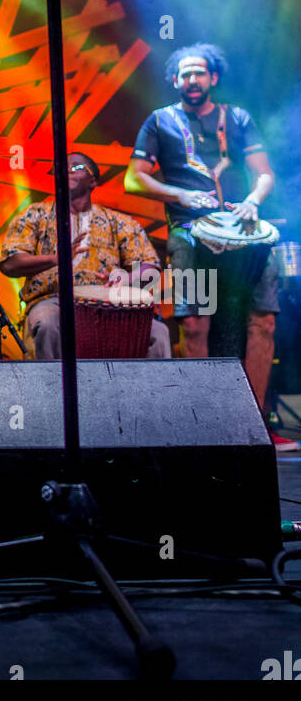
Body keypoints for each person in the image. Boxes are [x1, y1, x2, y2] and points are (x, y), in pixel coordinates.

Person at [125, 43, 297, 451]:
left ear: (212, 77)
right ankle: (203, 423)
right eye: (184, 74)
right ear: (174, 80)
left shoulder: (237, 118)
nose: (192, 79)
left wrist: (254, 201)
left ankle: (254, 424)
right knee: (195, 323)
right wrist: (177, 195)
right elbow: (135, 179)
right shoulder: (159, 122)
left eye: (199, 73)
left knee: (263, 321)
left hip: (245, 230)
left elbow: (264, 175)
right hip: (189, 231)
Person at [0, 154, 171, 360]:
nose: (65, 170)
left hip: (110, 305)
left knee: (158, 333)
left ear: (93, 181)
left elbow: (150, 266)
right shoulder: (35, 214)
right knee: (47, 325)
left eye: (75, 167)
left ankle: (155, 392)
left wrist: (124, 279)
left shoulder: (118, 221)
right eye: (60, 167)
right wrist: (57, 259)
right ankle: (52, 390)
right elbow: (10, 263)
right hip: (53, 301)